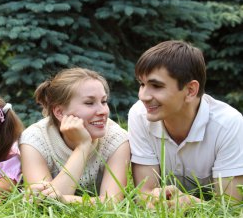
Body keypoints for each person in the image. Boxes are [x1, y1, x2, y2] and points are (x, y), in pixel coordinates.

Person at [129, 40, 243, 208]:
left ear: (190, 90)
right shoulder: (140, 115)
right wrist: (154, 199)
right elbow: (144, 193)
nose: (143, 96)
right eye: (142, 84)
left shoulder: (229, 124)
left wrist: (191, 203)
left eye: (156, 86)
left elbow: (230, 205)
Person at [20, 67, 131, 204]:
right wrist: (83, 146)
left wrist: (65, 200)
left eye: (103, 101)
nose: (103, 111)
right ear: (60, 112)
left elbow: (112, 203)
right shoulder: (34, 139)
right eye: (89, 103)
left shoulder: (117, 139)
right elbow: (43, 204)